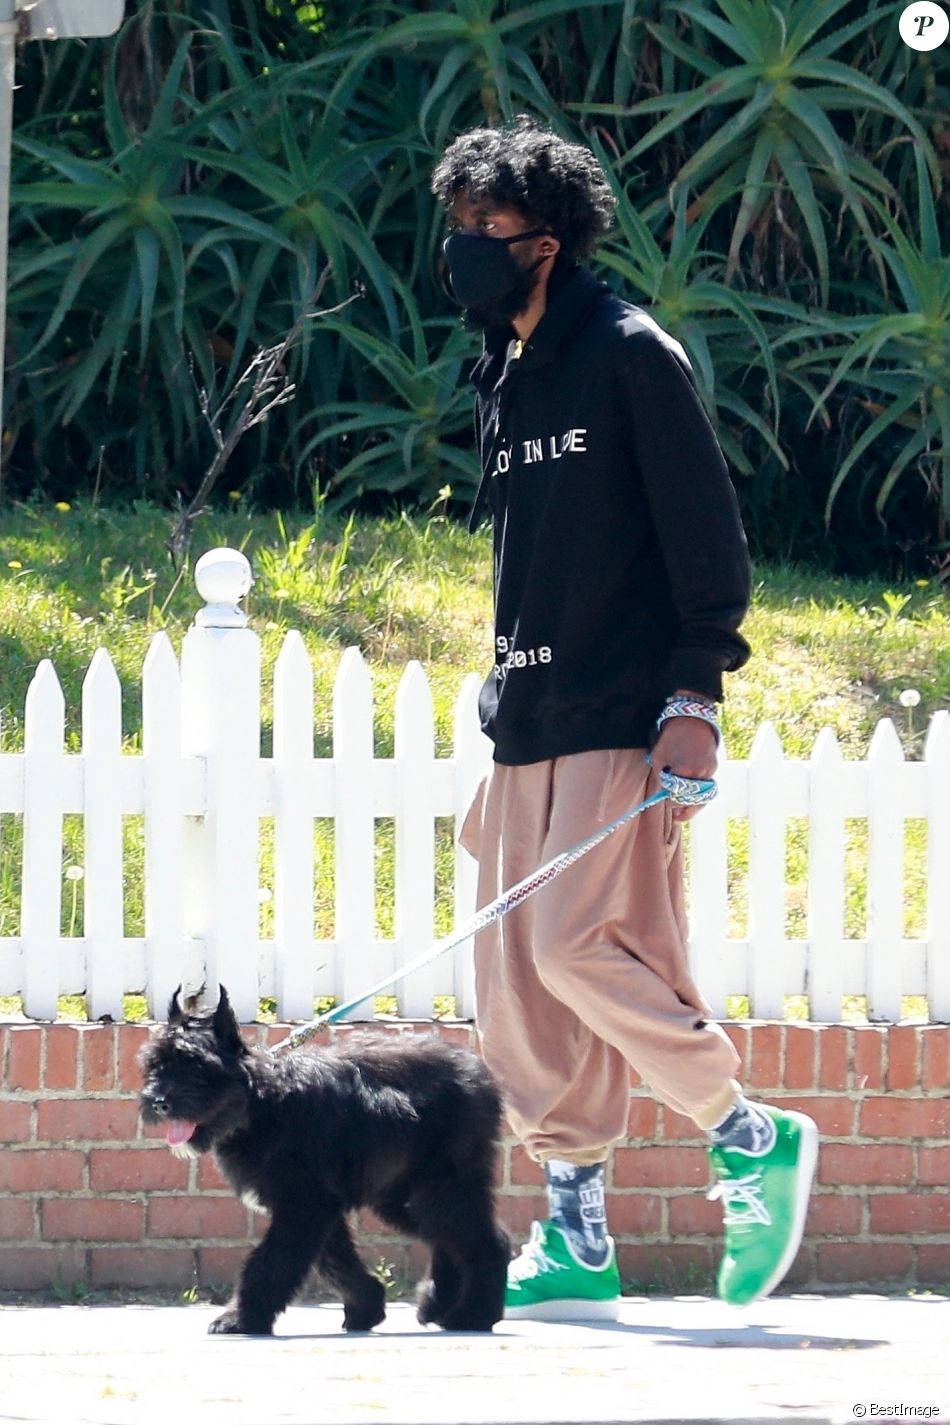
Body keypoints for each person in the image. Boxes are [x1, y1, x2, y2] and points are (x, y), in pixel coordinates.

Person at [431, 117, 818, 1321]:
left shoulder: (628, 354)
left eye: (487, 235)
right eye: (458, 231)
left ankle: (747, 1134)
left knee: (574, 947)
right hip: (526, 714)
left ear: (546, 242)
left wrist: (693, 698)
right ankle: (577, 1234)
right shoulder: (505, 365)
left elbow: (708, 547)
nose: (465, 255)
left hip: (618, 711)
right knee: (516, 989)